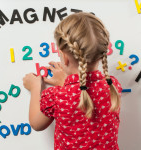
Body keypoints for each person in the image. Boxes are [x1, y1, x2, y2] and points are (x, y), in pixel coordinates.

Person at [23, 12, 122, 150]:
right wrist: (65, 84)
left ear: (64, 57)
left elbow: (36, 124)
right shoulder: (113, 85)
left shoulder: (57, 96)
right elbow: (81, 97)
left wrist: (35, 87)